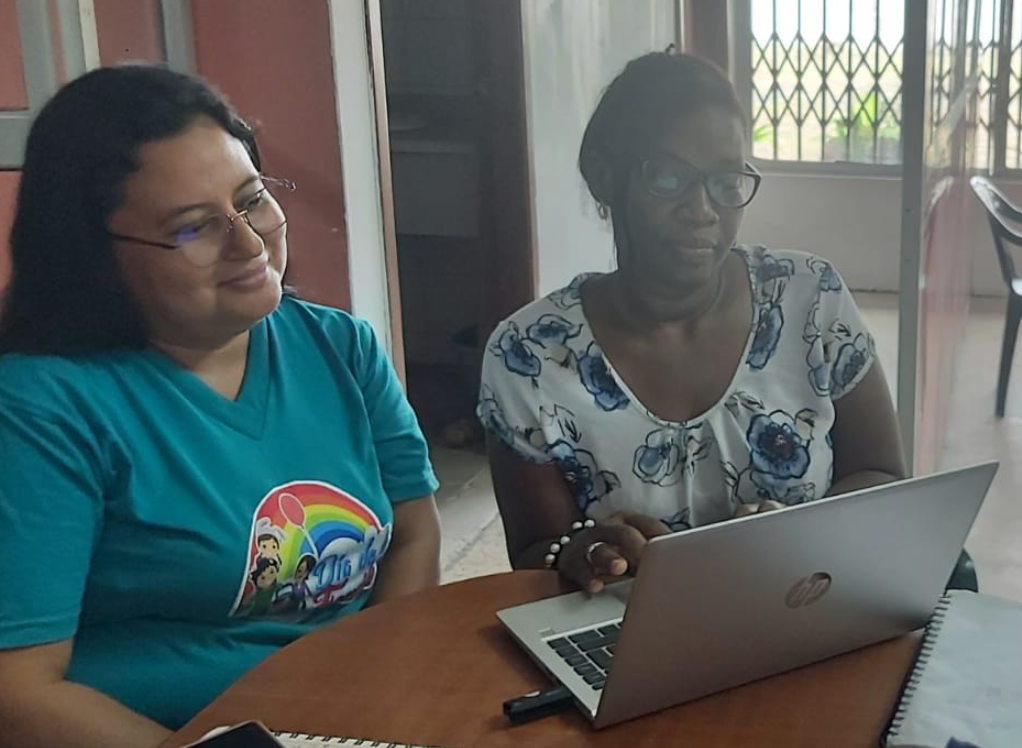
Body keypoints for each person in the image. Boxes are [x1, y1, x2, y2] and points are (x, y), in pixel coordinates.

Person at [0, 65, 441, 748]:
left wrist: (382, 698)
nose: (249, 242)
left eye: (252, 198)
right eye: (194, 228)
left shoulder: (340, 346)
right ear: (94, 256)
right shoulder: (42, 407)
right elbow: (20, 695)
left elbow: (413, 531)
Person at [478, 51, 905, 593]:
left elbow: (882, 477)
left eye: (726, 181)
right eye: (669, 177)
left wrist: (794, 533)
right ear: (605, 177)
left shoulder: (808, 299)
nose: (702, 209)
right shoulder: (530, 356)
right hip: (629, 631)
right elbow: (536, 554)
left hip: (802, 610)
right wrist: (580, 553)